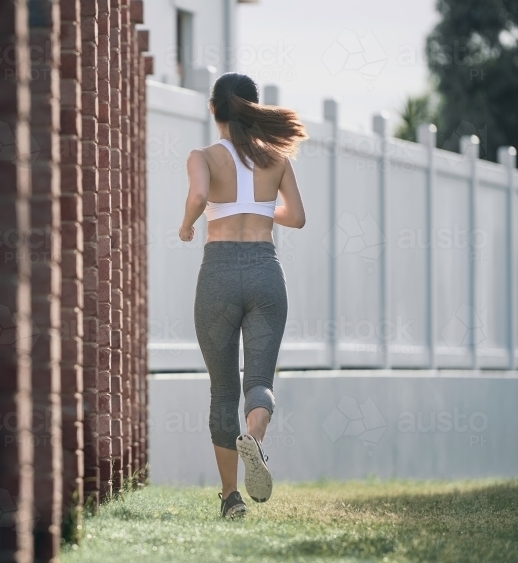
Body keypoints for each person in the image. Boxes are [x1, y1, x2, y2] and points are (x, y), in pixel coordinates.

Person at [178, 73, 307, 518]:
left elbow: (198, 195)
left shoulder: (203, 157)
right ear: (253, 108)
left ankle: (231, 497)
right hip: (265, 272)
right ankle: (254, 438)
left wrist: (186, 223)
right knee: (259, 384)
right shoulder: (278, 159)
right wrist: (263, 206)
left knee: (222, 389)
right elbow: (299, 217)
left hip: (217, 273)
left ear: (214, 110)